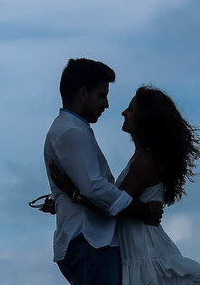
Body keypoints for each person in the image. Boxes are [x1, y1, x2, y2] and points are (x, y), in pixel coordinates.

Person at [49, 85, 200, 285]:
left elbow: (112, 206)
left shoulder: (145, 160)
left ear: (145, 119)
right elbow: (112, 200)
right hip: (138, 247)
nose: (123, 113)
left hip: (143, 248)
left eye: (130, 109)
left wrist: (71, 191)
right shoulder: (141, 158)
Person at [44, 59, 164, 285]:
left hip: (90, 241)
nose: (107, 104)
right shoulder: (72, 132)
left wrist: (69, 195)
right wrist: (144, 210)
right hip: (91, 241)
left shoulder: (73, 129)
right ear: (83, 93)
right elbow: (95, 189)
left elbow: (91, 189)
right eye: (102, 95)